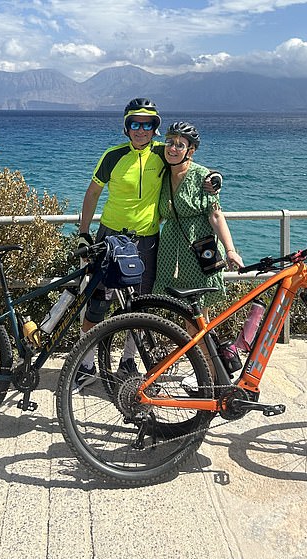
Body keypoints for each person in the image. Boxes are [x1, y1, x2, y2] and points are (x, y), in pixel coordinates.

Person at [73, 100, 220, 392]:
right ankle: (87, 363)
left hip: (147, 241)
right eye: (135, 124)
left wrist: (214, 178)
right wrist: (83, 232)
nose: (141, 130)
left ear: (155, 128)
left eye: (148, 124)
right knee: (98, 302)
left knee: (141, 306)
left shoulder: (162, 154)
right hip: (109, 239)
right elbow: (92, 194)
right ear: (127, 126)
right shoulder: (112, 156)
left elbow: (188, 164)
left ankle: (129, 361)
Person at [153, 121, 244, 315]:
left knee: (198, 315)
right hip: (169, 254)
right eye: (170, 142)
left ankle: (203, 346)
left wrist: (230, 250)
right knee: (173, 311)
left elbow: (216, 214)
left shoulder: (203, 177)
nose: (173, 148)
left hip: (199, 253)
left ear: (191, 151)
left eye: (180, 144)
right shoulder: (161, 173)